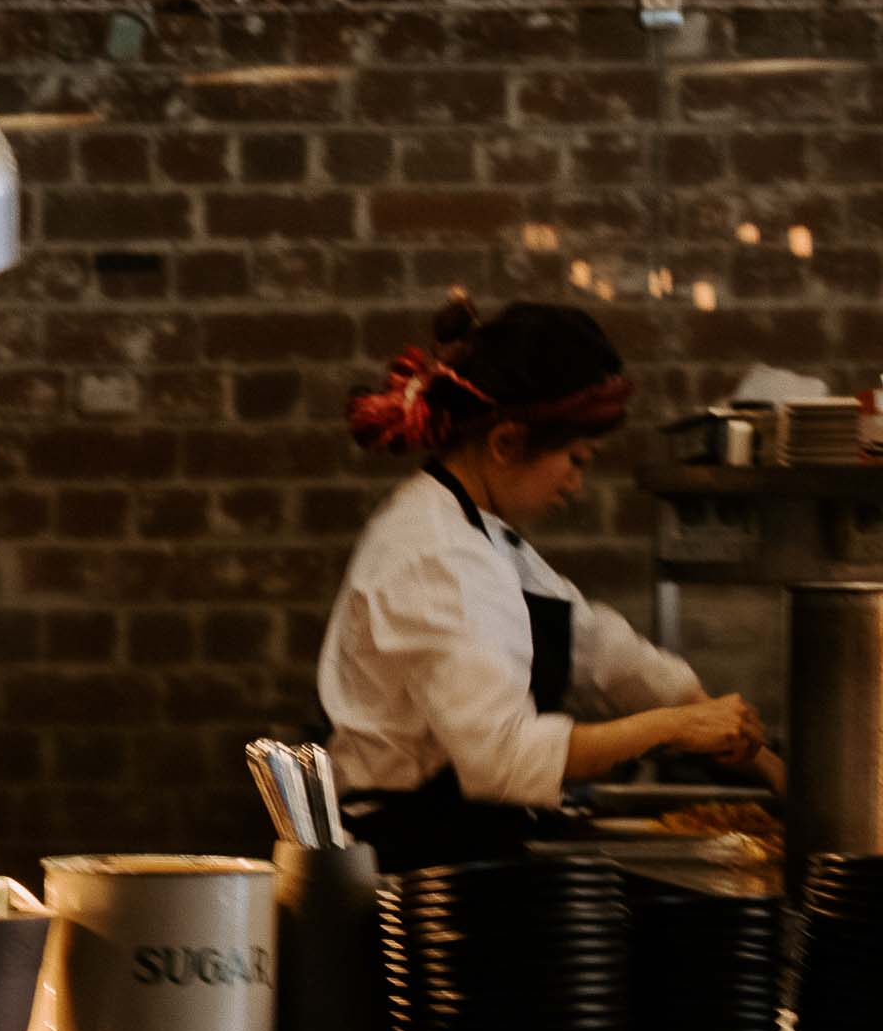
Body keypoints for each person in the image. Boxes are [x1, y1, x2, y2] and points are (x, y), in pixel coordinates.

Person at [318, 294, 766, 873]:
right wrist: (672, 728)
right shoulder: (433, 553)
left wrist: (745, 749)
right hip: (412, 868)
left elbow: (599, 648)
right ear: (506, 443)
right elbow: (502, 758)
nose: (577, 484)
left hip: (464, 849)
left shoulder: (478, 531)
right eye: (575, 460)